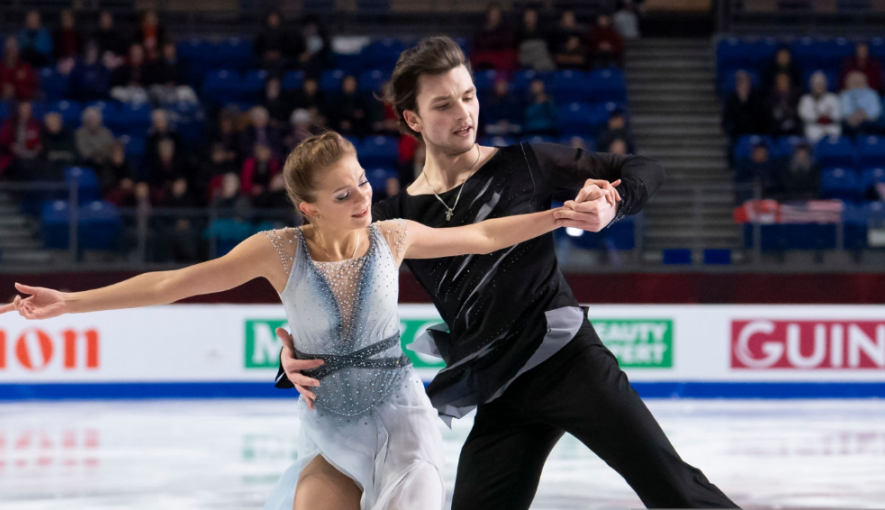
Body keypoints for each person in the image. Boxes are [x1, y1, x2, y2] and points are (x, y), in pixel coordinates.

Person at [276, 36, 738, 510]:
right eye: (444, 104)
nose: (464, 113)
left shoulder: (525, 164)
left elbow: (644, 167)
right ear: (412, 119)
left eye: (469, 95)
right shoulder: (395, 219)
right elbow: (328, 291)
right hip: (499, 389)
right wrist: (292, 357)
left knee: (673, 489)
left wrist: (612, 205)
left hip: (569, 363)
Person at [3, 130, 573, 510]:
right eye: (344, 193)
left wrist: (559, 213)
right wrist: (71, 301)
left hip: (402, 414)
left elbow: (481, 234)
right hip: (331, 424)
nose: (362, 198)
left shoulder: (392, 237)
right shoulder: (277, 251)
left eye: (364, 183)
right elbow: (172, 283)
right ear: (308, 206)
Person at [798, 71, 841, 143]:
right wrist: (818, 117)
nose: (819, 87)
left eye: (821, 84)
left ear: (825, 85)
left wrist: (827, 117)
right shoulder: (806, 99)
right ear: (811, 86)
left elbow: (837, 115)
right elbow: (803, 114)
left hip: (831, 127)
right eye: (816, 84)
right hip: (813, 128)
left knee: (835, 133)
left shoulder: (833, 98)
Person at [840, 70, 881, 136]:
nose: (857, 83)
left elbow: (875, 113)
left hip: (868, 123)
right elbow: (844, 112)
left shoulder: (872, 94)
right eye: (854, 81)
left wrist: (864, 116)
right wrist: (854, 117)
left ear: (865, 82)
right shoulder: (845, 95)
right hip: (849, 124)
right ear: (848, 83)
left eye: (859, 81)